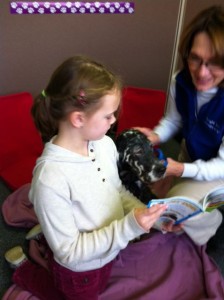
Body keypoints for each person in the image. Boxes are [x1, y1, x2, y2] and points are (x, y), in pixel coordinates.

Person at [4, 55, 171, 300]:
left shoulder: (104, 145)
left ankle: (48, 236)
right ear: (78, 119)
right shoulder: (51, 178)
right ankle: (24, 271)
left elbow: (118, 191)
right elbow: (70, 253)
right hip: (78, 269)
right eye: (108, 116)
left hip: (105, 251)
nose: (114, 121)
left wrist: (152, 217)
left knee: (98, 282)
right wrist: (129, 228)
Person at [137, 5, 224, 246]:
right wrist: (154, 136)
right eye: (195, 59)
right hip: (191, 153)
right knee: (148, 200)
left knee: (172, 210)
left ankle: (212, 222)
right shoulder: (181, 79)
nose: (202, 72)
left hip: (221, 170)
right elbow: (173, 120)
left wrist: (179, 171)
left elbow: (222, 166)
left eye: (214, 63)